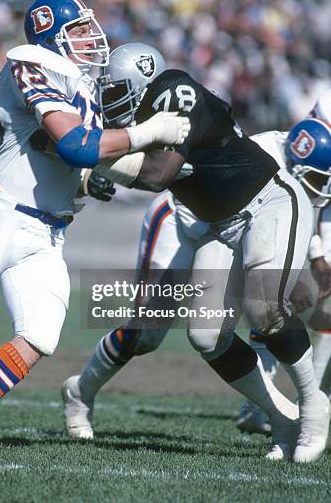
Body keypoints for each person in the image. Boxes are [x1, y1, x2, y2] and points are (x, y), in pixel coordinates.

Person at [0, 0, 190, 457]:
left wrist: (101, 175)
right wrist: (146, 133)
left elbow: (64, 153)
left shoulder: (84, 87)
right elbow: (77, 145)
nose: (91, 38)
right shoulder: (30, 62)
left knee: (40, 334)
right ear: (50, 33)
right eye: (80, 30)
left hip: (47, 234)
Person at [62, 43, 330, 463]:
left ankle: (313, 404)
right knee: (202, 334)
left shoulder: (174, 92)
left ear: (140, 81)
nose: (108, 98)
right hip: (214, 223)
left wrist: (94, 161)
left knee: (264, 309)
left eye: (116, 89)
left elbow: (156, 174)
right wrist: (90, 168)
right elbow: (131, 166)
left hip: (267, 204)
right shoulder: (139, 115)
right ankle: (281, 417)